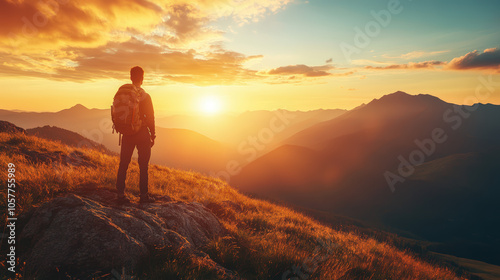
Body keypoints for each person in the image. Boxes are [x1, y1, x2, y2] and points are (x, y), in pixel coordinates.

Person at [116, 66, 156, 204]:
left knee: (124, 164)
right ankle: (143, 196)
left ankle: (120, 195)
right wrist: (153, 134)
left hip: (127, 132)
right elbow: (151, 117)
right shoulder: (145, 96)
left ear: (131, 77)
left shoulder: (124, 93)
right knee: (143, 166)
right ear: (142, 79)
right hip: (142, 133)